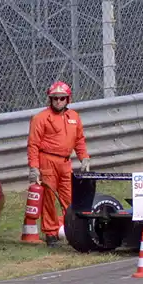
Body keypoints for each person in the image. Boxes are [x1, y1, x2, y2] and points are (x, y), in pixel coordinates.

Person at [27, 81, 90, 247]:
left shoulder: (74, 117)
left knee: (69, 198)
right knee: (48, 199)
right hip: (47, 161)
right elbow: (33, 144)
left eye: (62, 98)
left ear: (67, 99)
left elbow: (79, 140)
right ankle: (51, 234)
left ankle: (73, 229)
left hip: (66, 162)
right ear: (50, 99)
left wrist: (84, 157)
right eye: (55, 98)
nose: (58, 101)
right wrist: (34, 167)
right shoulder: (40, 118)